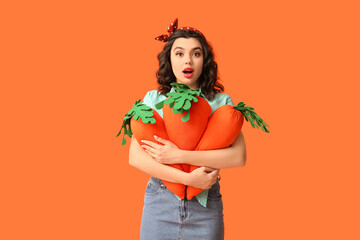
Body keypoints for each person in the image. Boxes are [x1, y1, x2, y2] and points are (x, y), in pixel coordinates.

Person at [128, 18, 247, 240]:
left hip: (206, 204)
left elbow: (239, 156)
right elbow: (135, 157)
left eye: (196, 53)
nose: (188, 61)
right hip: (160, 201)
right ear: (169, 59)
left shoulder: (220, 102)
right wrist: (189, 180)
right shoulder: (153, 100)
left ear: (205, 60)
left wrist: (179, 155)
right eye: (179, 53)